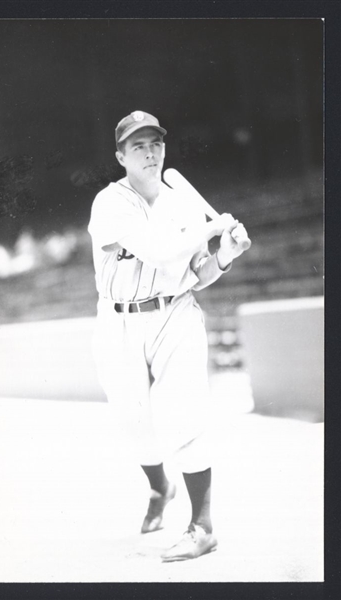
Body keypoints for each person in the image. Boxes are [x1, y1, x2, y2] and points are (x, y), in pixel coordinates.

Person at [88, 110, 249, 562]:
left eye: (155, 142)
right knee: (135, 426)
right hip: (119, 320)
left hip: (175, 316)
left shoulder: (182, 201)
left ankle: (203, 526)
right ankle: (161, 488)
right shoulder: (109, 203)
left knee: (183, 415)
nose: (149, 152)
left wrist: (224, 256)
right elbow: (158, 251)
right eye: (137, 145)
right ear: (120, 156)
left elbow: (195, 274)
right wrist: (213, 228)